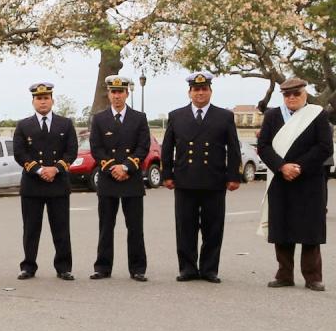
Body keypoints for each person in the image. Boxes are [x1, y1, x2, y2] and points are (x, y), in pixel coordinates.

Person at [161, 72, 242, 283]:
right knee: (185, 227)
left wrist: (234, 176)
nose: (200, 93)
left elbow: (233, 148)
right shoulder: (176, 115)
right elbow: (167, 148)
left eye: (204, 89)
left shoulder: (224, 116)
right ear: (189, 92)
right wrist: (166, 174)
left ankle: (209, 269)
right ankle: (187, 268)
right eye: (196, 89)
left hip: (214, 180)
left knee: (213, 228)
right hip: (185, 180)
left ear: (210, 91)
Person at [257, 77, 332, 292]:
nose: (291, 98)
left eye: (296, 94)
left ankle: (312, 277)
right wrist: (282, 167)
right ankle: (284, 274)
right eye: (287, 94)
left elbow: (325, 147)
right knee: (282, 226)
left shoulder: (317, 115)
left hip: (309, 180)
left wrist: (298, 167)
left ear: (304, 94)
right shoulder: (272, 115)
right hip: (281, 179)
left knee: (310, 229)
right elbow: (263, 146)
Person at [12, 83, 78, 280]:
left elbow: (71, 151)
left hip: (58, 184)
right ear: (33, 102)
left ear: (52, 100)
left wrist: (55, 169)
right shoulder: (23, 125)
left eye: (46, 98)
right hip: (33, 184)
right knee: (31, 229)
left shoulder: (65, 124)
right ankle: (28, 266)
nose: (42, 101)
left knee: (61, 228)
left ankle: (64, 267)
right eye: (39, 98)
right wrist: (39, 170)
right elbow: (19, 153)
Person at [89, 76, 151, 281]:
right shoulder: (99, 119)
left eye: (120, 92)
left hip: (131, 179)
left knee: (135, 228)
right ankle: (102, 267)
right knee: (106, 226)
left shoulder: (139, 118)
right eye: (113, 92)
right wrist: (112, 168)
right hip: (108, 180)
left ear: (127, 93)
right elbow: (96, 148)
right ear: (109, 94)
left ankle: (138, 268)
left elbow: (143, 147)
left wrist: (126, 166)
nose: (117, 96)